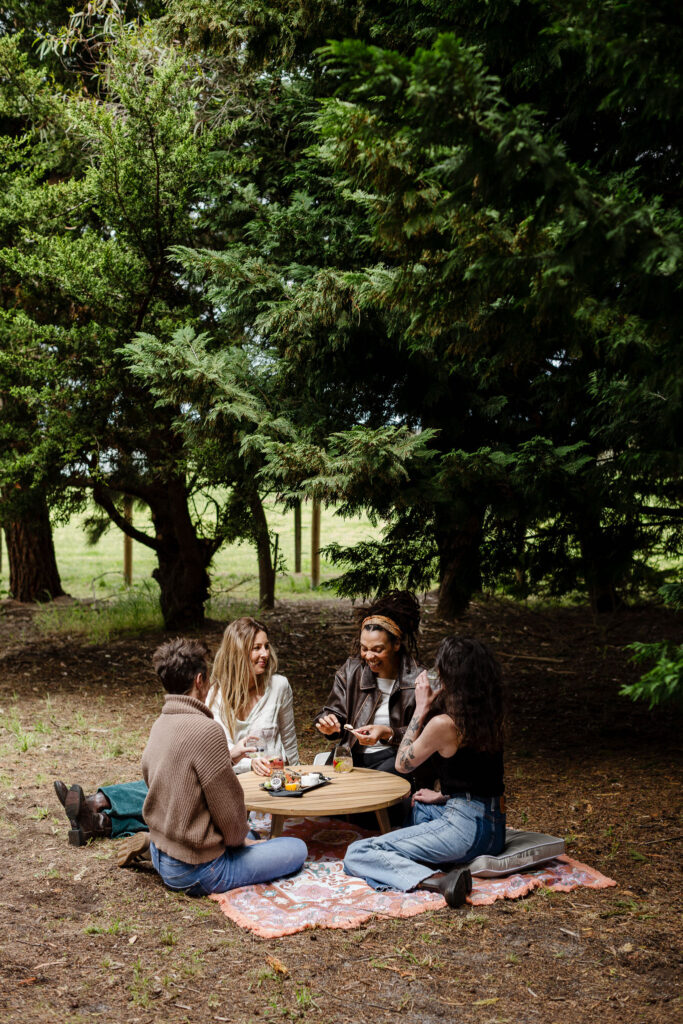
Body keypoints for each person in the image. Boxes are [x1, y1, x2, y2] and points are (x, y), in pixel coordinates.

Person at [55, 616, 298, 848]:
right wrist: (247, 762)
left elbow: (289, 742)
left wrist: (298, 780)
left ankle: (95, 806)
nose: (264, 654)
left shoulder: (279, 686)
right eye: (256, 648)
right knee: (171, 790)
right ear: (238, 653)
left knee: (176, 794)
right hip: (224, 776)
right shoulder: (216, 694)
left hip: (266, 781)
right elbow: (221, 753)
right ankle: (96, 819)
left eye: (266, 647)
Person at [343, 636, 506, 908]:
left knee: (359, 852)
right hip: (493, 825)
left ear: (450, 679)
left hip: (466, 829)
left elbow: (402, 764)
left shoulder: (444, 724)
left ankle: (439, 882)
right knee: (417, 807)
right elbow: (481, 777)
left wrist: (421, 707)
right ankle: (417, 850)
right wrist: (444, 797)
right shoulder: (490, 716)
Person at [137, 636, 306, 895]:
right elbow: (230, 814)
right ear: (199, 681)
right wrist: (242, 840)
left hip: (161, 851)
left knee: (259, 839)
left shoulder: (161, 723)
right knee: (296, 848)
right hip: (197, 869)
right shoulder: (206, 729)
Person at [313, 591, 424, 775]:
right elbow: (333, 711)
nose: (369, 656)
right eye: (364, 649)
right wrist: (329, 724)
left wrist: (388, 732)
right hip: (351, 754)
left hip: (395, 757)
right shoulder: (352, 670)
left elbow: (426, 731)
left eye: (378, 650)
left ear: (396, 644)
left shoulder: (418, 678)